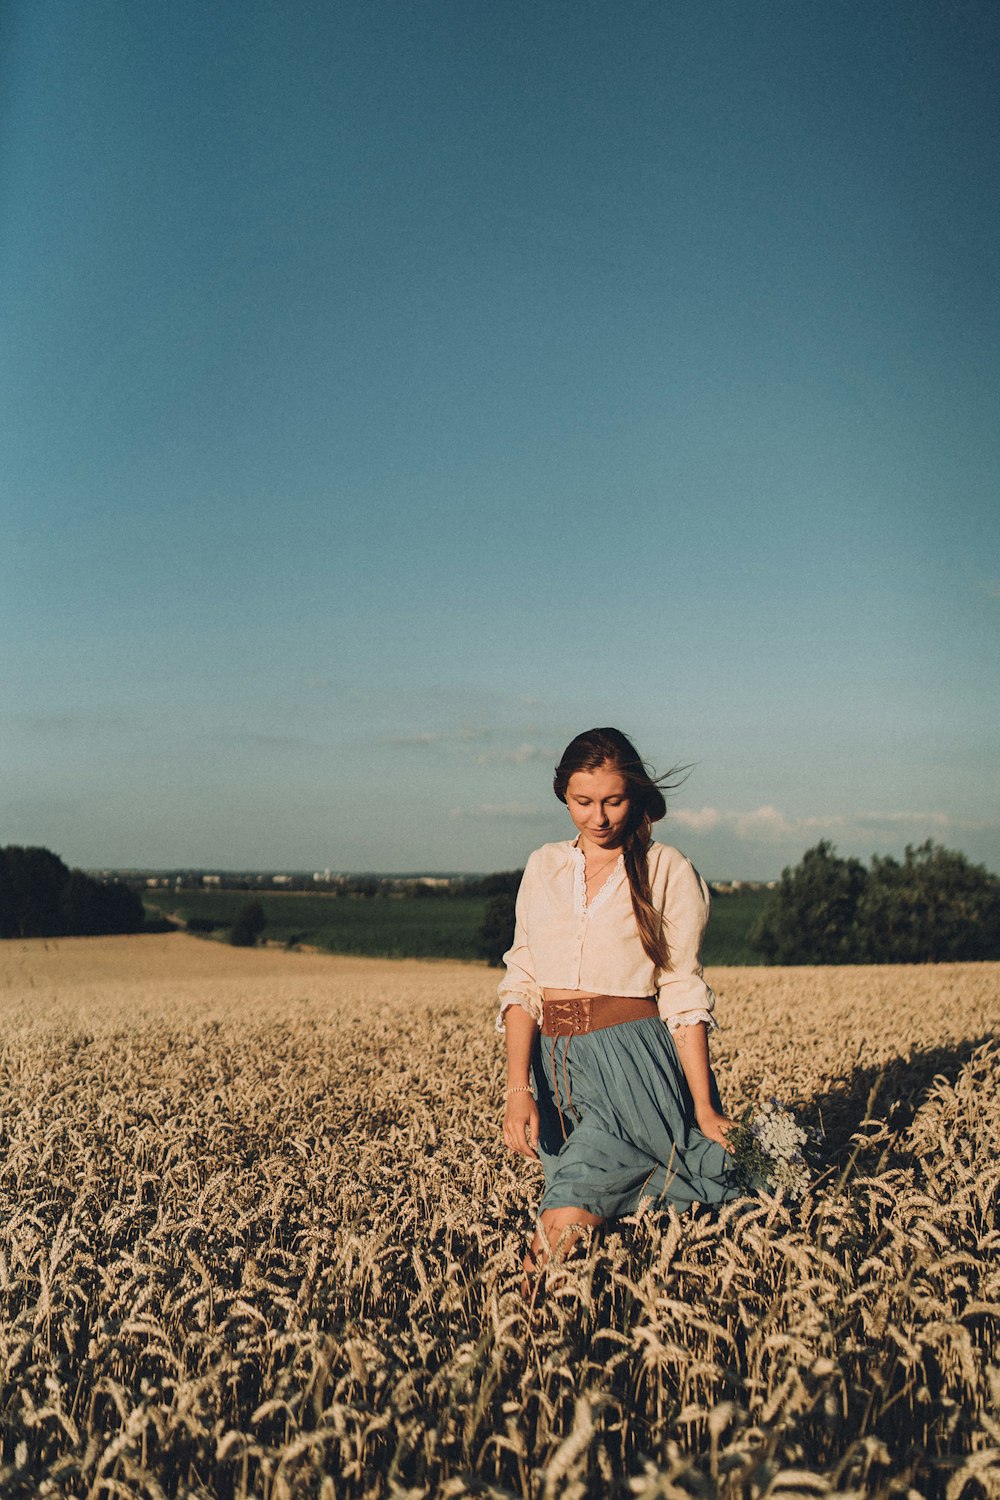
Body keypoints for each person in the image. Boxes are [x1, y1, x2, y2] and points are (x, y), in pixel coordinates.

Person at [498, 727, 740, 1289]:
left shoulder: (666, 870)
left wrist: (704, 1108)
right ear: (563, 796)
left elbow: (681, 991)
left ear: (636, 795)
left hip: (631, 1065)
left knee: (566, 1208)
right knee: (587, 1209)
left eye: (613, 800)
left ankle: (516, 1340)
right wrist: (518, 1087)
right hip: (557, 1072)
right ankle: (573, 1346)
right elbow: (523, 983)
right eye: (583, 802)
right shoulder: (544, 867)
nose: (599, 817)